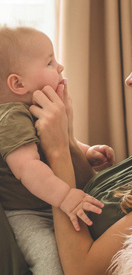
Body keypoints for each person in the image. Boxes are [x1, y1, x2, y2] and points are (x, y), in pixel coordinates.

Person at [28, 0, 132, 274]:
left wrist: (57, 151)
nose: (130, 79)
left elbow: (84, 268)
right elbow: (94, 206)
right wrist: (69, 139)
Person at [0, 26, 115, 275]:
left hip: (50, 203)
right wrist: (64, 197)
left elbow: (54, 143)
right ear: (18, 83)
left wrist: (86, 152)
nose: (60, 67)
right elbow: (28, 168)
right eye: (50, 62)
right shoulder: (11, 118)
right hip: (27, 214)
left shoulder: (33, 109)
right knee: (51, 261)